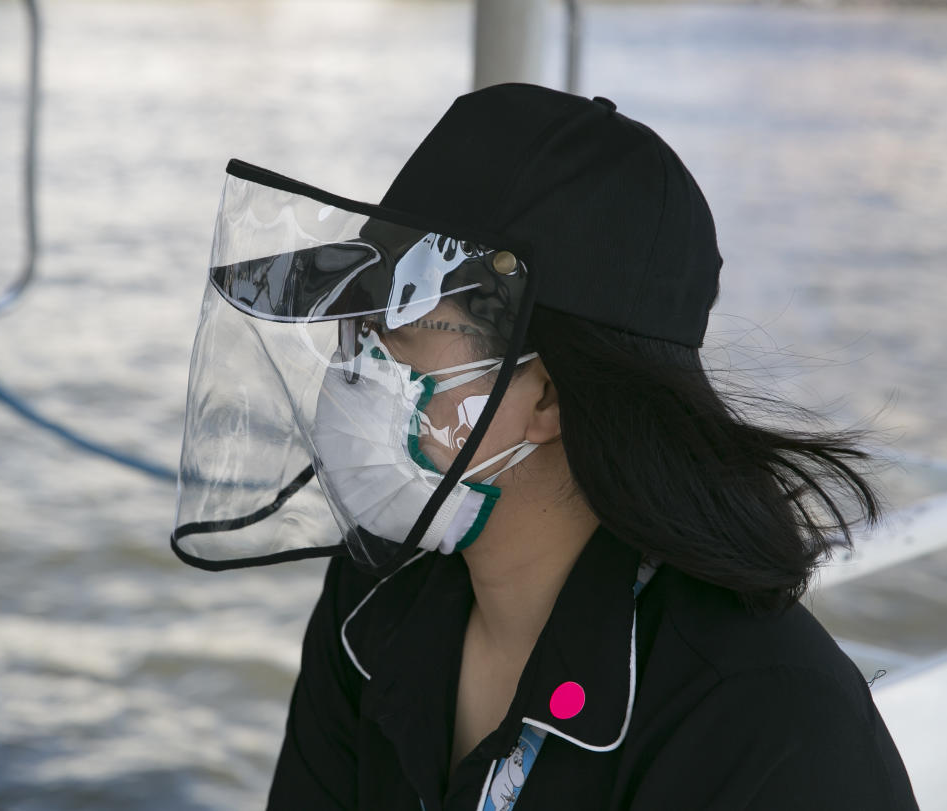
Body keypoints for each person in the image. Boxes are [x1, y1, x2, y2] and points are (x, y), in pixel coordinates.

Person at [171, 83, 919, 809]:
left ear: (550, 394)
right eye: (353, 327)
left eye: (391, 328)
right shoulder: (371, 598)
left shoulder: (766, 723)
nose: (351, 364)